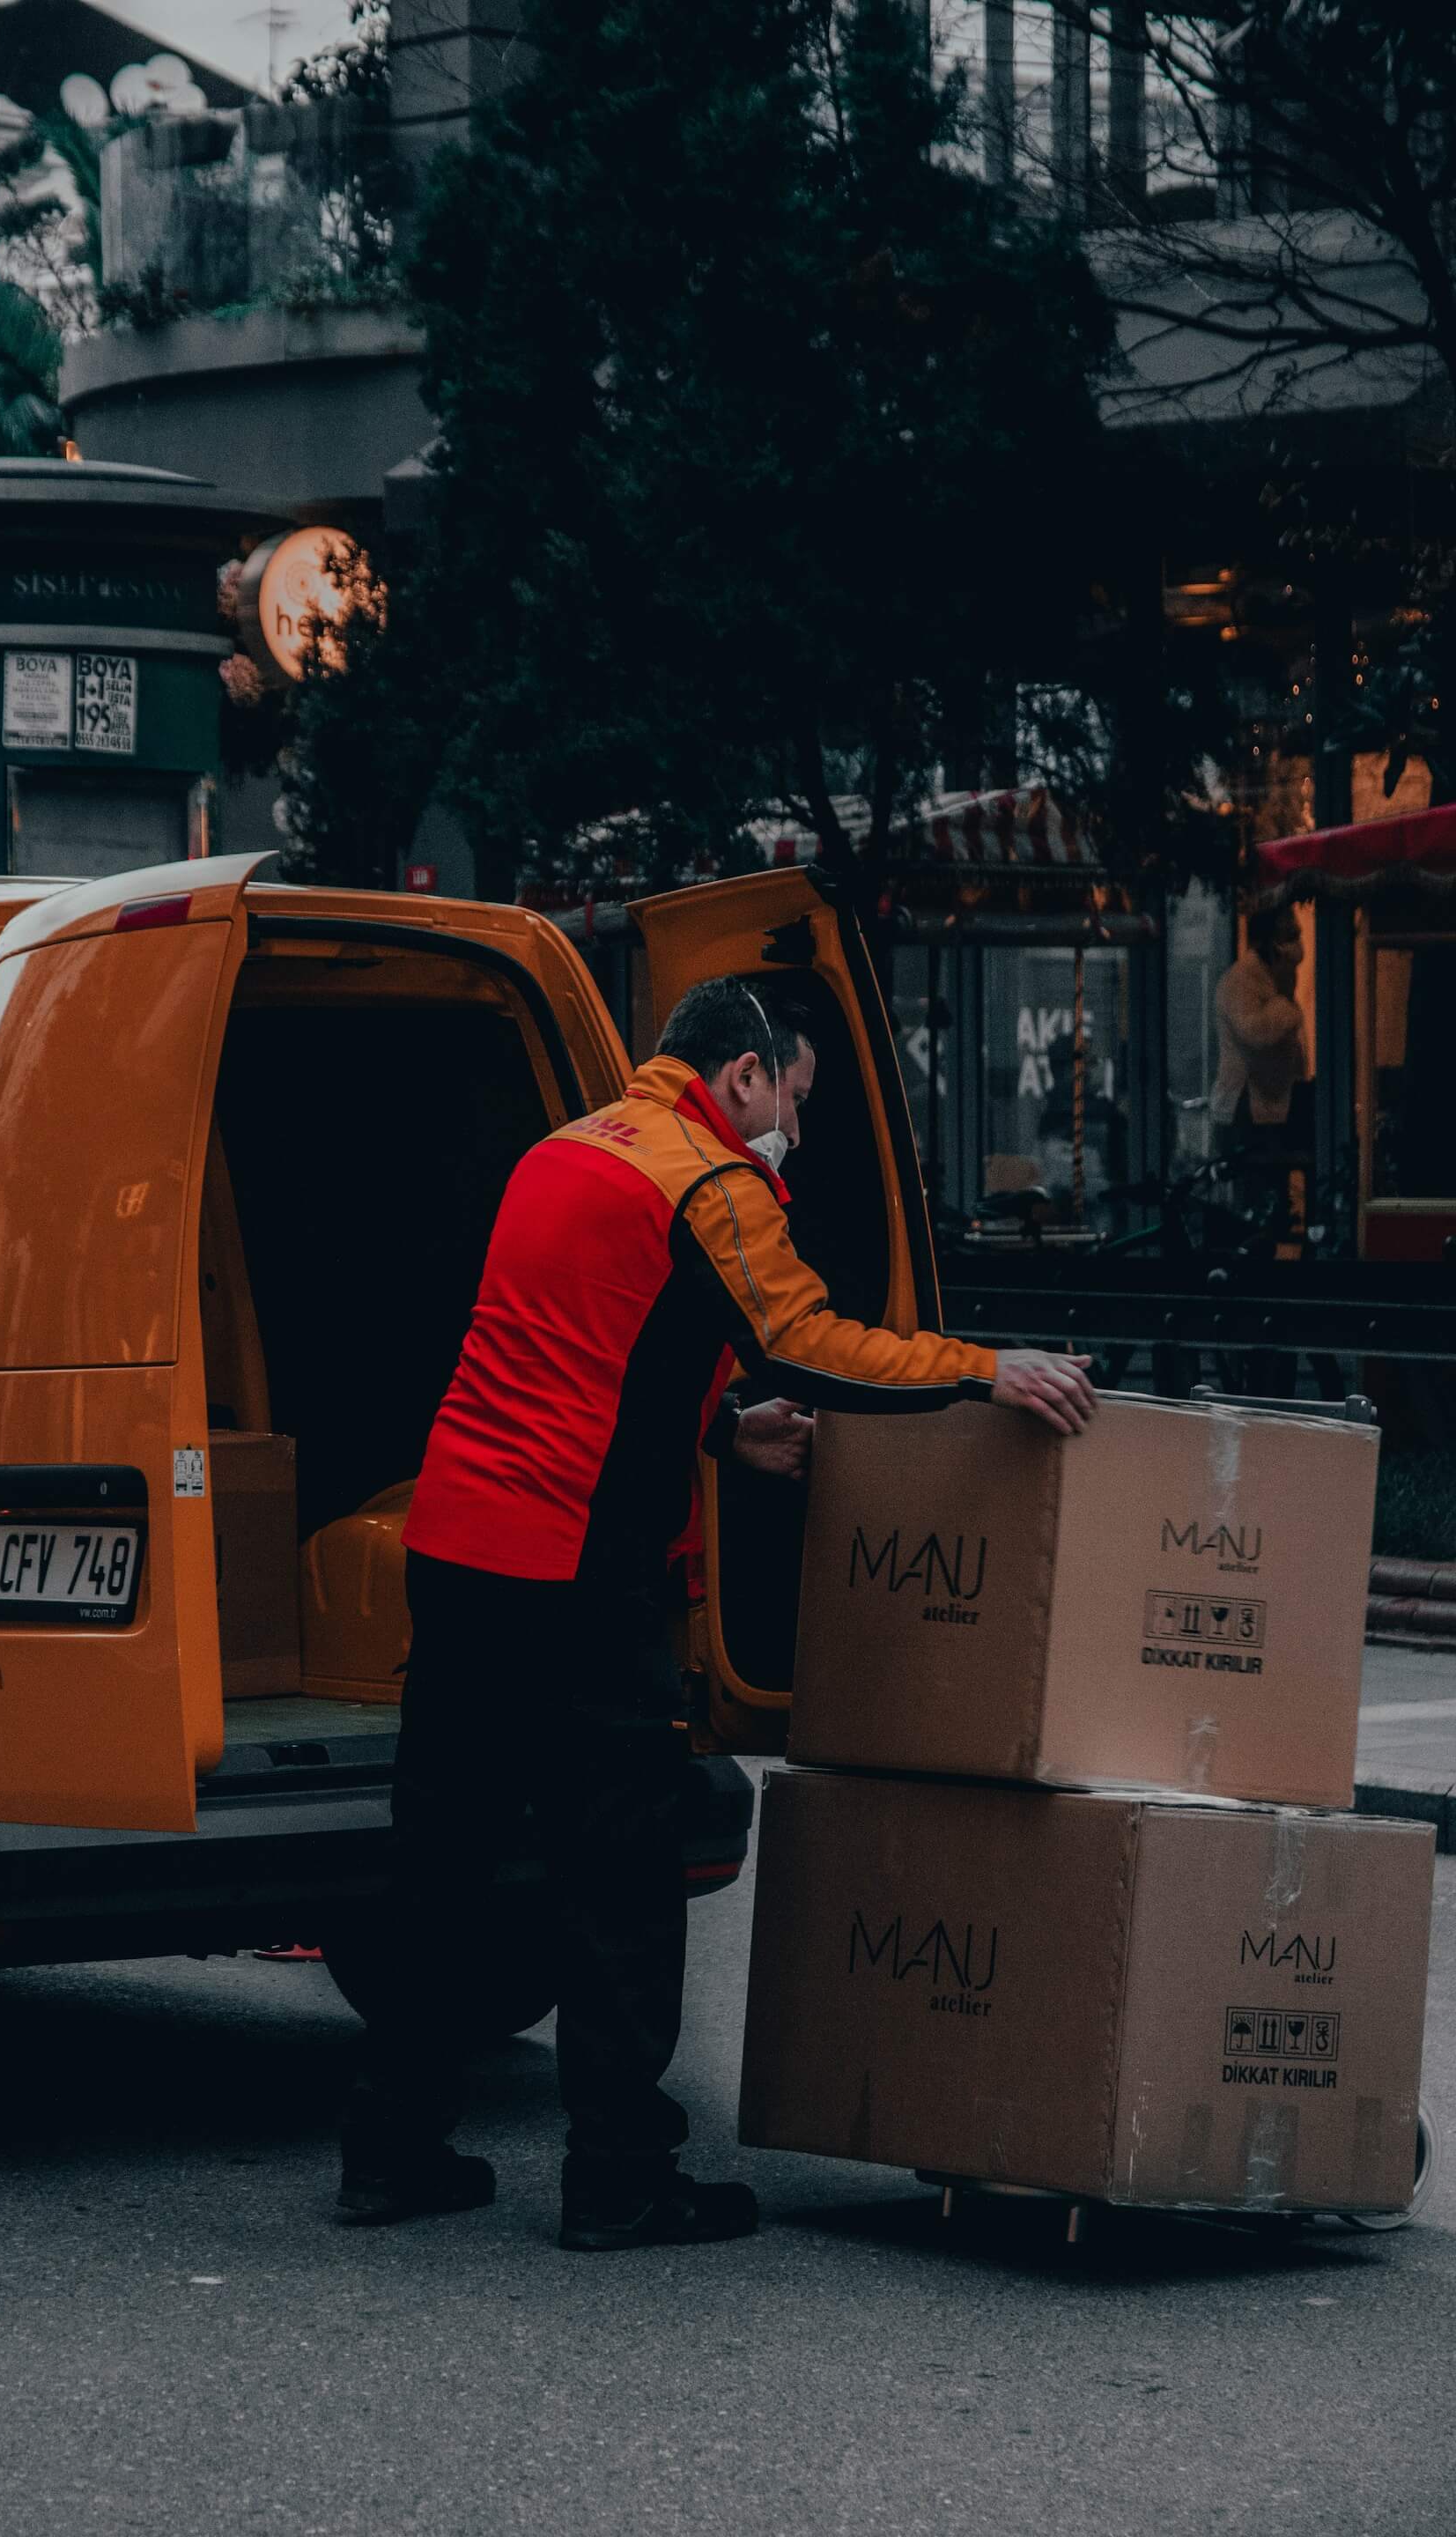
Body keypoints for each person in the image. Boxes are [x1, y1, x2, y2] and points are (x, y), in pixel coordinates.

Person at [337, 975, 1097, 2251]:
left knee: (442, 1861)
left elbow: (583, 1346)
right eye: (793, 1095)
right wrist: (982, 1369)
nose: (791, 1122)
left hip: (460, 1536)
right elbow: (806, 1341)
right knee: (619, 1871)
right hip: (577, 1566)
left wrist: (727, 1431)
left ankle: (392, 2149)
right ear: (742, 1075)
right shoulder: (706, 1176)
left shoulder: (565, 1149)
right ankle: (620, 2176)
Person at [1213, 904, 1309, 1156]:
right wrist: (1286, 1002)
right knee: (1254, 1185)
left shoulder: (1272, 980)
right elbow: (1256, 1032)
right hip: (1247, 1107)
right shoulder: (1242, 981)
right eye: (1288, 937)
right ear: (1271, 944)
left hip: (1273, 1106)